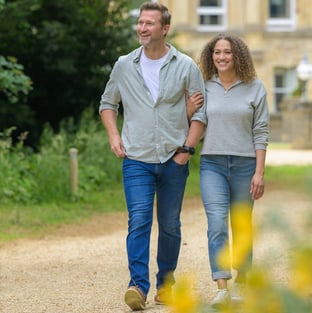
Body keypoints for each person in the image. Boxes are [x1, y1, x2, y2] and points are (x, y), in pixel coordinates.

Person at [99, 2, 206, 311]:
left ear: (164, 28)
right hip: (137, 158)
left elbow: (202, 113)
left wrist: (186, 150)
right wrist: (113, 134)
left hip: (174, 158)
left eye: (149, 23)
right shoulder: (124, 65)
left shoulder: (185, 66)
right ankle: (137, 286)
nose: (142, 28)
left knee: (170, 224)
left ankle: (166, 286)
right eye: (140, 22)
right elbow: (108, 103)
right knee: (140, 220)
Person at [190, 33, 269, 308]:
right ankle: (222, 285)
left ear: (239, 57)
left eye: (228, 52)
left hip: (245, 164)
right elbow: (191, 119)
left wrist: (259, 172)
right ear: (210, 56)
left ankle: (243, 280)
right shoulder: (204, 86)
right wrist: (189, 108)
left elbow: (261, 131)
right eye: (217, 52)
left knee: (241, 223)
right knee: (216, 223)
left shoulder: (255, 88)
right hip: (212, 163)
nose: (222, 57)